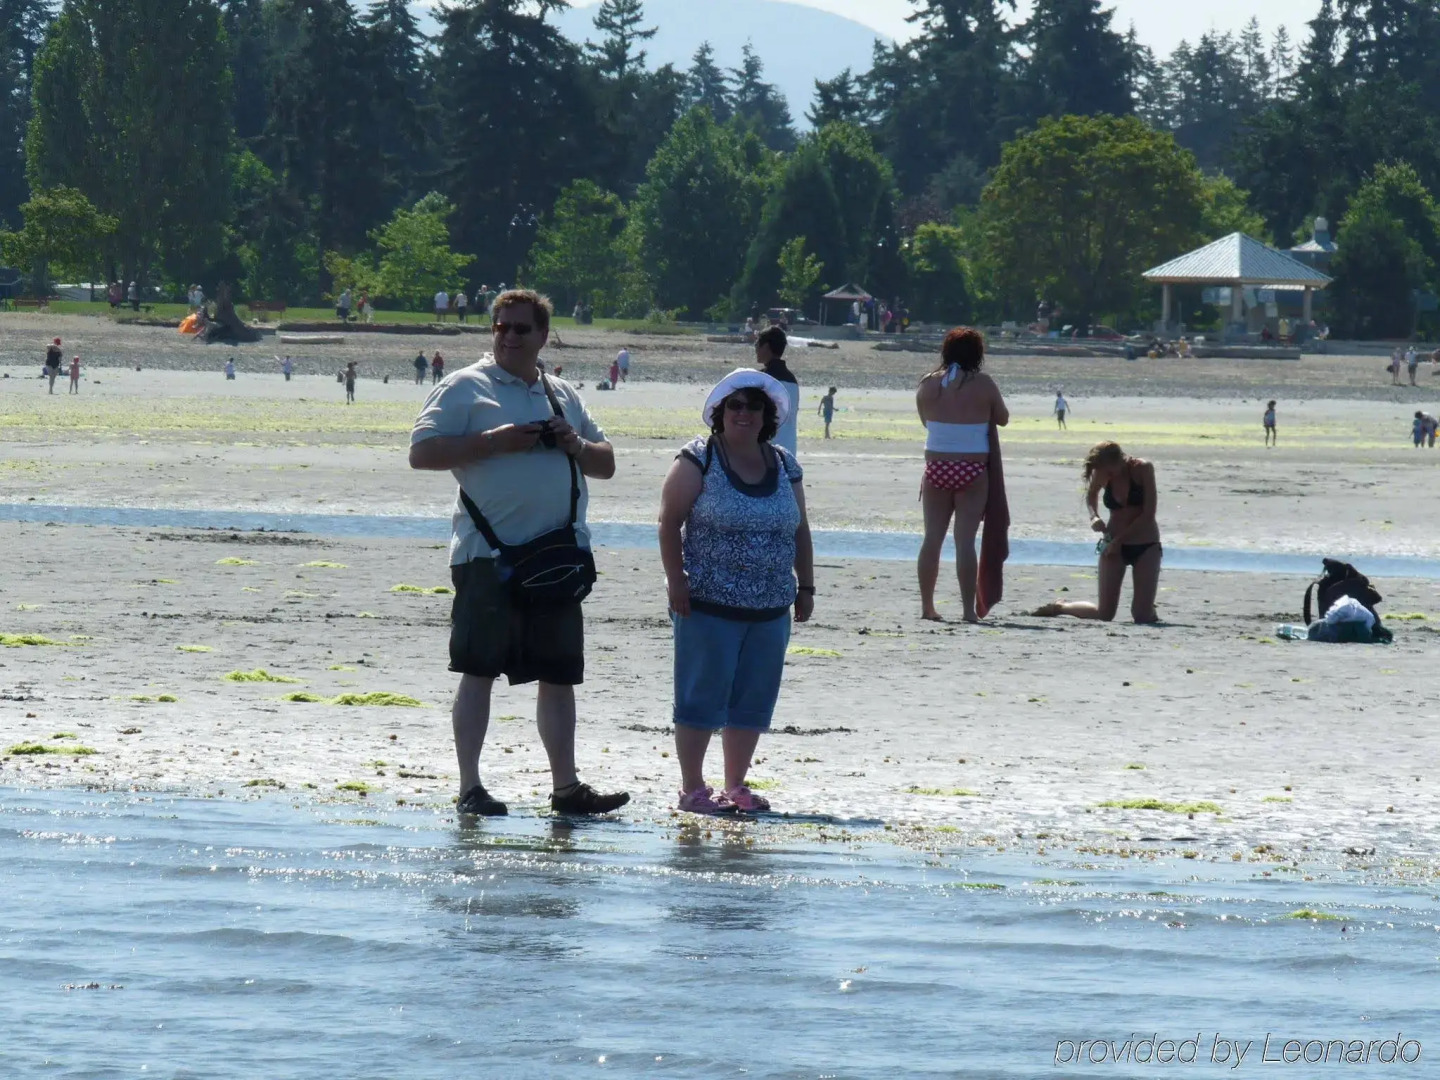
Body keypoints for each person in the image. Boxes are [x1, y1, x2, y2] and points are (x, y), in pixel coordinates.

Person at [409, 288, 628, 817]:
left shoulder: (562, 393)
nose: (508, 336)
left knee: (559, 674)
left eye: (520, 328)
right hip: (488, 555)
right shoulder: (464, 387)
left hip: (556, 555)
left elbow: (606, 462)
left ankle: (566, 789)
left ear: (542, 335)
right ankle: (470, 787)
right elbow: (421, 452)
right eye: (501, 327)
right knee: (478, 668)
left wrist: (572, 442)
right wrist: (494, 441)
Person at [658, 369, 814, 814]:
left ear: (769, 415)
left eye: (754, 406)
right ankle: (692, 789)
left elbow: (800, 529)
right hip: (706, 603)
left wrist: (806, 586)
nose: (744, 413)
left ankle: (736, 786)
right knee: (700, 696)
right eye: (735, 405)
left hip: (770, 606)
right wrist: (676, 579)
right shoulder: (698, 457)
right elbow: (669, 522)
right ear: (720, 412)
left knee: (752, 700)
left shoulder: (784, 463)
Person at [916, 328, 1010, 623]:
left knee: (932, 538)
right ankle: (969, 611)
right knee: (964, 541)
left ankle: (927, 607)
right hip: (972, 469)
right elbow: (1003, 418)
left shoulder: (928, 384)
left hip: (937, 468)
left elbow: (925, 422)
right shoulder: (983, 384)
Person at [1033, 442, 1161, 624]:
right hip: (1112, 544)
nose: (1106, 476)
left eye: (1110, 472)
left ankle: (1147, 606)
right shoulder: (1102, 471)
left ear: (1120, 460)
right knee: (1105, 614)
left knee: (1141, 617)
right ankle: (1060, 607)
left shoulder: (1143, 469)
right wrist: (1094, 517)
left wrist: (1119, 540)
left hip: (1145, 544)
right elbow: (1091, 495)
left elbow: (1148, 514)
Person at [755, 326, 799, 456]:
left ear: (766, 346)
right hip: (789, 450)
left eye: (757, 344)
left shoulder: (762, 379)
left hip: (767, 452)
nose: (755, 349)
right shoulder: (792, 380)